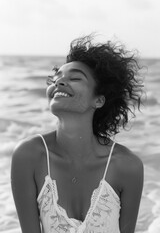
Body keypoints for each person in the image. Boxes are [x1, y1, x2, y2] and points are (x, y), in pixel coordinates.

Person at [11, 34, 144, 233]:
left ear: (99, 100)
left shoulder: (127, 166)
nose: (59, 83)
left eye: (74, 78)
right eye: (55, 79)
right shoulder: (29, 156)